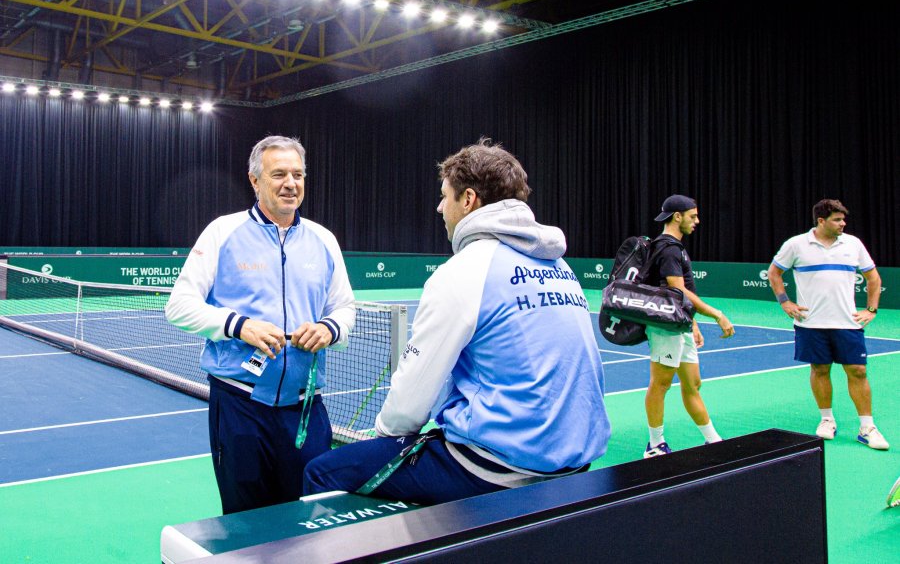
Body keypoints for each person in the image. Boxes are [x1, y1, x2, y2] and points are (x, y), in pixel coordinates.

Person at [302, 138, 611, 505]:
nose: (439, 207)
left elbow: (411, 400)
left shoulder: (465, 270)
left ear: (468, 200)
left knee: (322, 472)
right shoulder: (559, 267)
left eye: (445, 196)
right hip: (578, 462)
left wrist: (384, 439)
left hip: (499, 467)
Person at [165, 135, 356, 514]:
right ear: (255, 181)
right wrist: (239, 325)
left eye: (298, 174)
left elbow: (345, 308)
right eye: (279, 174)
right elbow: (179, 306)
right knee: (245, 520)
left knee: (311, 516)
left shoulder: (324, 239)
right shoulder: (222, 232)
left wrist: (329, 329)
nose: (291, 183)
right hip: (239, 406)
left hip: (305, 410)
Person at [767, 199, 888, 450]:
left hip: (847, 323)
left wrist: (872, 309)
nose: (843, 223)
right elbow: (774, 272)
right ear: (821, 221)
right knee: (820, 369)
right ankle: (827, 420)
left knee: (858, 371)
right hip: (810, 323)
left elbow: (873, 277)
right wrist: (785, 302)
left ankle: (867, 427)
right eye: (837, 219)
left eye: (843, 219)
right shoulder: (796, 244)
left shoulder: (853, 244)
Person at [642, 195, 735, 459]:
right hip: (665, 328)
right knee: (660, 384)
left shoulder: (676, 247)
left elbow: (680, 294)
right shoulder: (668, 248)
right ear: (677, 216)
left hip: (680, 325)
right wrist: (716, 314)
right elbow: (677, 289)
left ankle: (712, 440)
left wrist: (692, 322)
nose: (697, 221)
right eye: (693, 216)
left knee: (693, 384)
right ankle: (655, 445)